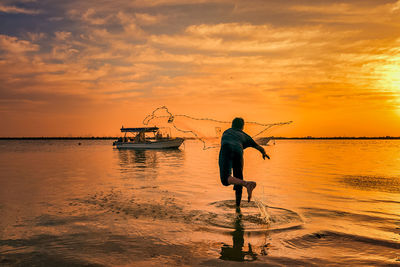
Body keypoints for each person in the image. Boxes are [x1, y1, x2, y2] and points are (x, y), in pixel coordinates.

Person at [219, 117, 270, 207]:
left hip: (226, 149)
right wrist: (264, 154)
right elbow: (260, 148)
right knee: (238, 179)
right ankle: (238, 207)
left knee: (225, 179)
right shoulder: (245, 136)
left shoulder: (226, 132)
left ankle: (247, 184)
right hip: (238, 152)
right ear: (242, 127)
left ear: (232, 125)